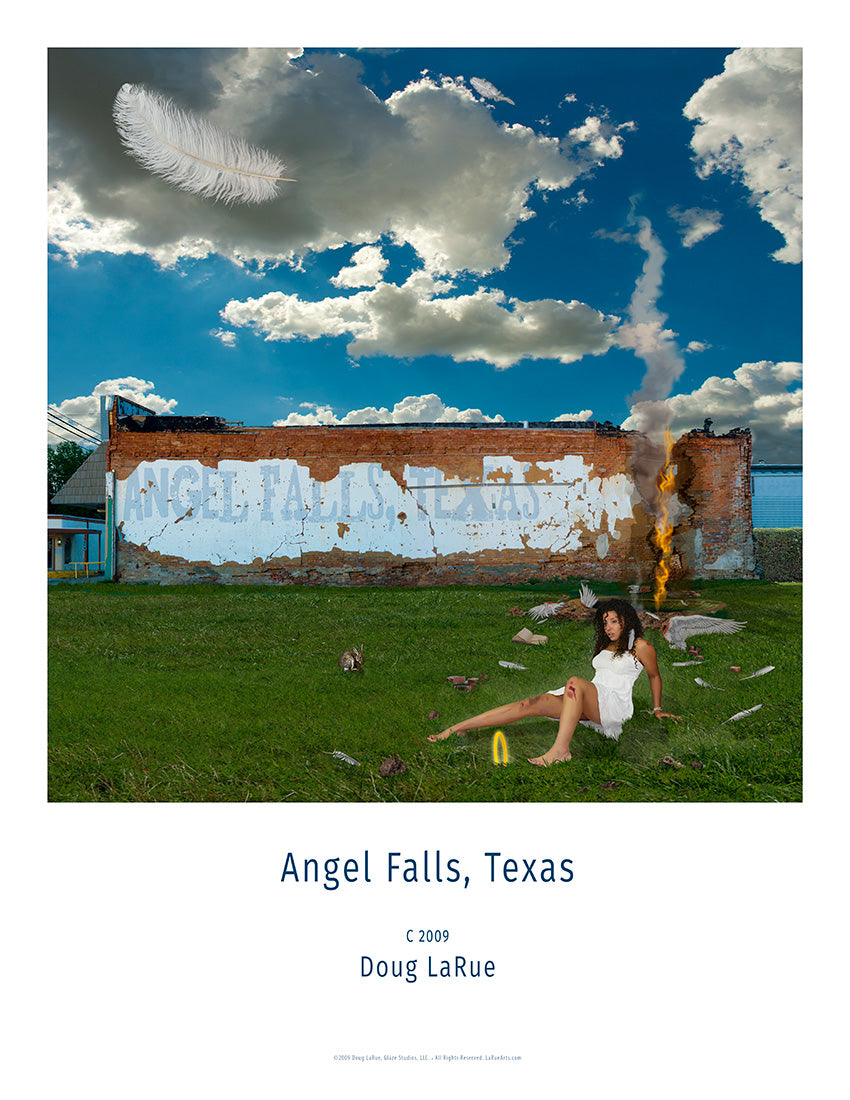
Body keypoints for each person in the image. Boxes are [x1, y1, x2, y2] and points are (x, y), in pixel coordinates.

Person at [427, 598, 679, 765]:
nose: (608, 627)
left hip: (613, 705)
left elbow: (654, 676)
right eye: (605, 623)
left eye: (614, 621)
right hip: (590, 697)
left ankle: (560, 751)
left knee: (575, 682)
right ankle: (458, 728)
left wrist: (657, 709)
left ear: (627, 620)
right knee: (530, 704)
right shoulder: (606, 645)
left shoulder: (641, 646)